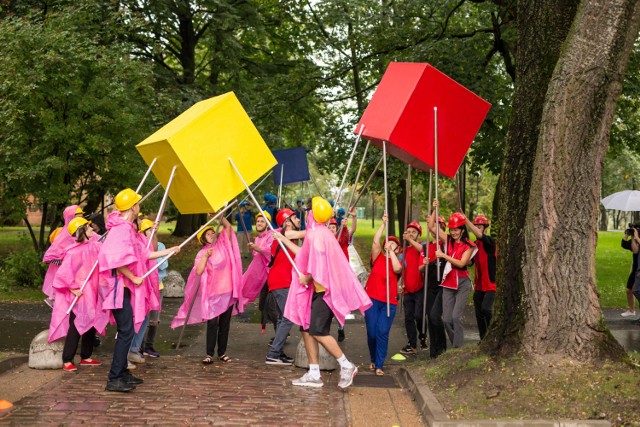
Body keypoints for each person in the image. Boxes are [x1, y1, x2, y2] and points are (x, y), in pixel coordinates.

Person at [284, 197, 371, 389]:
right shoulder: (320, 232)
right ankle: (314, 373)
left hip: (325, 293)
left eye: (308, 210)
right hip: (319, 292)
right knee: (306, 329)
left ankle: (346, 365)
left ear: (312, 213)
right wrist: (283, 238)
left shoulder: (317, 235)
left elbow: (317, 267)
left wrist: (305, 278)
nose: (306, 213)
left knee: (317, 331)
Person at [98, 188, 179, 392]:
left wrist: (169, 251)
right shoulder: (122, 229)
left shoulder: (126, 228)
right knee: (126, 331)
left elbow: (142, 254)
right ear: (133, 206)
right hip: (118, 288)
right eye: (137, 203)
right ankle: (114, 378)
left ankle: (123, 374)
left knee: (128, 330)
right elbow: (114, 259)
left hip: (122, 288)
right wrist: (133, 277)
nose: (139, 205)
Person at [171, 214, 243, 364]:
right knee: (212, 324)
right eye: (208, 234)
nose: (211, 234)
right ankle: (209, 353)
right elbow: (198, 271)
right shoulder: (201, 253)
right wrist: (205, 257)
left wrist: (219, 216)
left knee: (225, 324)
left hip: (227, 291)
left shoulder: (223, 244)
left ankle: (222, 353)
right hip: (212, 294)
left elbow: (228, 227)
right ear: (203, 239)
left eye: (212, 232)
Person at [48, 217, 109, 371]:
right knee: (76, 326)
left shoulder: (95, 246)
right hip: (80, 295)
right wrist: (72, 289)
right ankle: (67, 359)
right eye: (88, 228)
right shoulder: (72, 252)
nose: (92, 229)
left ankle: (86, 356)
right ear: (82, 231)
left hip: (93, 293)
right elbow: (63, 275)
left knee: (91, 324)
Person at [429, 200, 476, 349]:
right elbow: (431, 227)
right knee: (446, 319)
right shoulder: (448, 239)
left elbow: (461, 263)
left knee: (456, 317)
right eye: (452, 229)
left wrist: (443, 255)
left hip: (463, 283)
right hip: (448, 282)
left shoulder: (469, 245)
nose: (454, 232)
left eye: (457, 229)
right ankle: (456, 345)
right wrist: (435, 209)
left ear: (462, 229)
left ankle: (458, 348)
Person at [364, 214, 402, 376]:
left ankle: (380, 364)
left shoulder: (397, 260)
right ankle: (373, 358)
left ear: (398, 249)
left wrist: (392, 252)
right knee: (372, 332)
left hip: (388, 303)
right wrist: (383, 225)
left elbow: (397, 269)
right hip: (372, 299)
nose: (390, 243)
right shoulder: (377, 257)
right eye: (388, 241)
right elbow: (375, 242)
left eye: (394, 243)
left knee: (382, 333)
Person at [265, 208, 302, 366]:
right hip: (281, 282)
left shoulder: (285, 237)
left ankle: (277, 352)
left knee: (282, 318)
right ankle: (273, 354)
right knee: (288, 317)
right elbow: (306, 235)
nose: (299, 220)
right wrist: (319, 230)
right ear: (288, 223)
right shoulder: (285, 234)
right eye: (295, 218)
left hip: (280, 281)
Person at [127, 218, 163, 364]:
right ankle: (126, 353)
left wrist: (153, 233)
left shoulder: (142, 239)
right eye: (140, 221)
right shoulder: (130, 238)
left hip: (147, 284)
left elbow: (152, 251)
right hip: (132, 284)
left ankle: (135, 349)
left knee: (146, 318)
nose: (141, 222)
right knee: (131, 319)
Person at [42, 205, 85, 305]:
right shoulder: (64, 235)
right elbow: (50, 256)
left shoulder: (80, 232)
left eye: (82, 216)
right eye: (78, 216)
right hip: (65, 275)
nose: (81, 218)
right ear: (71, 218)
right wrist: (64, 261)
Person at [327, 207, 358, 342]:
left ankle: (340, 327)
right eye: (330, 227)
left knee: (339, 302)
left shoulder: (343, 237)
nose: (332, 229)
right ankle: (325, 328)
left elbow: (353, 230)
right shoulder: (325, 241)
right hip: (328, 275)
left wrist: (354, 218)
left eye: (334, 227)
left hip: (340, 275)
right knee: (327, 303)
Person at [420, 216, 447, 359]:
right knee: (430, 318)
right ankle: (433, 351)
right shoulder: (427, 246)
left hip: (442, 284)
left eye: (439, 226)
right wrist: (425, 264)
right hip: (430, 285)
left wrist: (434, 211)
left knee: (436, 317)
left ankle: (442, 347)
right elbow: (420, 269)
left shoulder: (446, 243)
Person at [466, 214, 497, 340]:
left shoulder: (490, 241)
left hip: (490, 284)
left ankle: (492, 334)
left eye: (480, 226)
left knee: (486, 309)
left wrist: (466, 220)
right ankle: (483, 338)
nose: (477, 228)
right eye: (476, 226)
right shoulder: (474, 245)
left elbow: (480, 236)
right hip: (479, 285)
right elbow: (470, 262)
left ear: (485, 228)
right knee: (478, 313)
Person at [400, 221, 427, 354]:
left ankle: (423, 337)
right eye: (409, 231)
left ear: (418, 235)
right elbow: (400, 268)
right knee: (408, 317)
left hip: (420, 288)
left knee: (418, 315)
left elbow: (422, 250)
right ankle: (412, 343)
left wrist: (410, 239)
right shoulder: (403, 250)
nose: (411, 234)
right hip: (407, 289)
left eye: (414, 232)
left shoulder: (422, 246)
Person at [143, 218, 169, 359]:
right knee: (142, 318)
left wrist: (153, 254)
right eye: (147, 231)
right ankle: (138, 346)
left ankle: (149, 345)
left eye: (152, 230)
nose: (149, 233)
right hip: (143, 287)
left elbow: (161, 265)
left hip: (157, 287)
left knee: (154, 319)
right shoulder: (139, 246)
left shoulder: (160, 246)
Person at [241, 211, 274, 304]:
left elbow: (270, 251)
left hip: (268, 276)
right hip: (258, 274)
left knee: (267, 305)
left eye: (262, 221)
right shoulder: (257, 239)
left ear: (267, 224)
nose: (259, 223)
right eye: (258, 221)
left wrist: (257, 248)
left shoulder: (271, 236)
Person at [620, 229, 638, 318]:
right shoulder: (634, 239)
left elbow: (636, 250)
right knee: (629, 290)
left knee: (637, 291)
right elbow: (624, 244)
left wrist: (636, 238)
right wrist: (627, 234)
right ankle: (631, 310)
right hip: (636, 269)